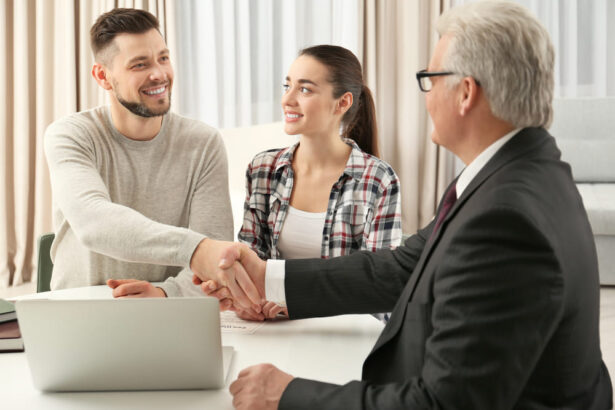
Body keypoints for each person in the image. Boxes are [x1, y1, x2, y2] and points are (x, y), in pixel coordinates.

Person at [198, 1, 613, 409]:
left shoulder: (505, 218)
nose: (427, 96)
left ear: (466, 92)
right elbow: (399, 267)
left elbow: (445, 403)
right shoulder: (518, 174)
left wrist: (286, 395)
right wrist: (266, 274)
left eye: (430, 79)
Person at [113, 46, 402, 322]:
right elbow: (251, 259)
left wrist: (290, 307)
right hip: (272, 330)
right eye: (287, 86)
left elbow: (379, 288)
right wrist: (243, 299)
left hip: (344, 335)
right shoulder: (264, 169)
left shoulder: (377, 180)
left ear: (343, 102)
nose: (287, 99)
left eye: (305, 89)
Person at [44, 8, 233, 296]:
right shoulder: (71, 135)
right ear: (103, 77)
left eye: (163, 58)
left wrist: (168, 294)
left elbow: (216, 255)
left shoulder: (203, 142)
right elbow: (94, 222)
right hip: (79, 310)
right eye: (139, 65)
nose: (159, 74)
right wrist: (195, 248)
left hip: (166, 311)